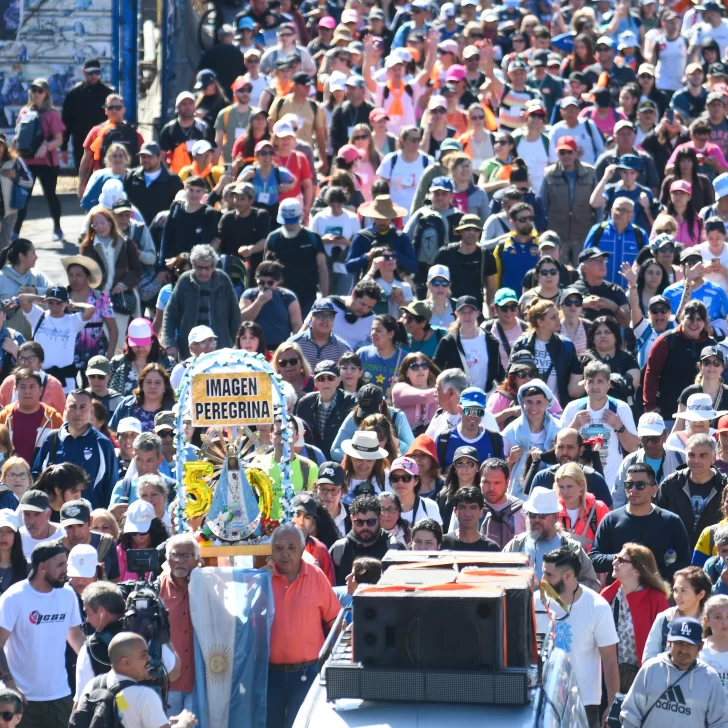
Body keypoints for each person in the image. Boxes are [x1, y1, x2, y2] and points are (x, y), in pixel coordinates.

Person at [0, 542, 83, 728]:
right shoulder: (14, 597)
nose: (66, 571)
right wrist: (11, 686)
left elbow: (76, 636)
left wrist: (97, 668)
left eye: (66, 565)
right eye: (60, 565)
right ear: (42, 567)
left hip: (60, 696)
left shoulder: (68, 595)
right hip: (22, 699)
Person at [267, 523, 339, 727]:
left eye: (291, 547)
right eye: (279, 548)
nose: (285, 554)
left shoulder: (316, 577)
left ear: (301, 550)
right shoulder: (263, 579)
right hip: (270, 676)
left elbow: (335, 622)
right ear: (271, 551)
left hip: (307, 675)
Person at [539, 546, 619, 728]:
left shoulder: (597, 606)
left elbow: (609, 660)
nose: (543, 580)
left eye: (549, 575)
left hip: (585, 703)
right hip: (544, 700)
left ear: (568, 576)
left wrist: (612, 705)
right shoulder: (535, 602)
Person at [620, 616, 728, 727]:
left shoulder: (709, 677)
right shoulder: (651, 668)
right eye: (679, 643)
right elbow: (631, 715)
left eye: (690, 644)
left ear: (700, 646)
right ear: (669, 642)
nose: (684, 650)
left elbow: (720, 723)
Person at [590, 463, 691, 582]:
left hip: (658, 593)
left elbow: (684, 563)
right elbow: (593, 559)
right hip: (619, 594)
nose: (633, 489)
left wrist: (650, 574)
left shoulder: (671, 521)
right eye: (629, 484)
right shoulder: (611, 520)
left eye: (640, 485)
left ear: (654, 490)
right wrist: (623, 559)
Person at [600, 543, 672, 692]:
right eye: (615, 558)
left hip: (643, 683)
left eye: (621, 560)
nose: (614, 562)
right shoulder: (606, 595)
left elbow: (666, 646)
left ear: (637, 570)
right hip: (605, 681)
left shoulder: (657, 600)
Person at [32, 389, 118, 509]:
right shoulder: (52, 439)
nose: (77, 412)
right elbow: (37, 478)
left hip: (88, 519)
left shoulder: (103, 444)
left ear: (91, 411)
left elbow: (111, 486)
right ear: (65, 409)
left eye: (83, 407)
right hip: (54, 520)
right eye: (73, 406)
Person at [503, 486, 599, 588]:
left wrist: (565, 591)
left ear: (556, 517)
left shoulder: (572, 548)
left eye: (542, 515)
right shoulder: (516, 545)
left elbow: (592, 583)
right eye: (532, 515)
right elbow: (498, 577)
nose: (536, 520)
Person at [162, 244, 241, 360]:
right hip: (190, 349)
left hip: (220, 348)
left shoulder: (223, 280)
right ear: (193, 266)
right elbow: (170, 313)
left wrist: (236, 344)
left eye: (208, 268)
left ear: (214, 266)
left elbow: (235, 315)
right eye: (199, 268)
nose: (204, 272)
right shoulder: (184, 281)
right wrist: (169, 343)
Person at [13, 79, 66, 241]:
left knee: (50, 195)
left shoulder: (52, 114)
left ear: (46, 94)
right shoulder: (24, 112)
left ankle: (57, 228)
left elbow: (59, 140)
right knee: (22, 198)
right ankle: (15, 232)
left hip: (47, 163)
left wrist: (47, 146)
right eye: (33, 90)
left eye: (39, 91)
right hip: (26, 163)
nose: (36, 94)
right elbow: (18, 137)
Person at [18, 286, 95, 391]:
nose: (55, 307)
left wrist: (72, 304)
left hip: (65, 380)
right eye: (51, 303)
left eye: (58, 303)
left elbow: (91, 309)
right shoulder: (38, 316)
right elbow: (22, 298)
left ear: (65, 303)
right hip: (39, 377)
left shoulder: (73, 321)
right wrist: (42, 299)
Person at [656, 432, 726, 549]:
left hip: (715, 554)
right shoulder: (671, 484)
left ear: (713, 457)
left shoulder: (724, 485)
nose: (696, 460)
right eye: (691, 455)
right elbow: (657, 519)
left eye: (703, 455)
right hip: (675, 553)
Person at [538, 135, 598, 267]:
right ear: (557, 154)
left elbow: (598, 205)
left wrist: (597, 231)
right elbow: (542, 204)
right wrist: (542, 230)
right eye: (562, 152)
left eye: (569, 152)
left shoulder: (590, 172)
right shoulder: (549, 174)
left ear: (576, 152)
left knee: (583, 271)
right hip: (558, 236)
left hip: (583, 233)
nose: (566, 156)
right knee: (558, 271)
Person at [502, 380, 561, 498]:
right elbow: (499, 470)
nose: (534, 407)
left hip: (552, 491)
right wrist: (511, 460)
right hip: (519, 495)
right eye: (529, 402)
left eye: (539, 402)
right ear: (522, 402)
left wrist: (560, 449)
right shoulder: (510, 432)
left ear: (548, 403)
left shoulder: (559, 430)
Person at [613, 413, 685, 509]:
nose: (650, 444)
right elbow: (618, 499)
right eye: (645, 439)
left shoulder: (680, 458)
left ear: (664, 435)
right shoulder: (630, 461)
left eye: (654, 439)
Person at [433, 296, 504, 390]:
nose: (467, 316)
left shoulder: (490, 340)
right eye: (463, 312)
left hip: (487, 396)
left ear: (478, 313)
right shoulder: (448, 342)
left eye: (471, 311)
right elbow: (435, 369)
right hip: (459, 399)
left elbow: (499, 372)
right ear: (456, 314)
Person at [329, 495, 401, 586]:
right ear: (351, 519)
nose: (365, 527)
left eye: (371, 522)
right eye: (359, 522)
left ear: (380, 518)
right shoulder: (340, 549)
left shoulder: (394, 548)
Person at [643, 566, 711, 662]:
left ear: (700, 594)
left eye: (683, 591)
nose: (677, 597)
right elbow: (648, 659)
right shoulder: (664, 619)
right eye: (675, 591)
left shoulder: (711, 622)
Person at [295, 361, 357, 460]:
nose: (326, 382)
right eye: (321, 379)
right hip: (311, 460)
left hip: (341, 460)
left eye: (330, 378)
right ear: (315, 382)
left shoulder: (352, 403)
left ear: (338, 380)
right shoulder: (304, 403)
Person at [0, 368, 62, 466]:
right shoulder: (3, 417)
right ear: (15, 390)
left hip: (42, 477)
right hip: (8, 476)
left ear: (41, 390)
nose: (27, 391)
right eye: (23, 387)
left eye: (32, 387)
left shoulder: (54, 418)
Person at [60, 58, 113, 172]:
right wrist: (63, 147)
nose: (94, 75)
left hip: (103, 142)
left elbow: (115, 119)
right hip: (81, 143)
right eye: (90, 72)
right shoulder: (74, 94)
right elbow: (66, 122)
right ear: (83, 72)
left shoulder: (108, 94)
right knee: (83, 177)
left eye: (97, 72)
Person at [0, 239, 52, 341]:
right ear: (21, 256)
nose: (36, 257)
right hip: (9, 338)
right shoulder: (2, 277)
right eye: (33, 253)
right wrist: (4, 306)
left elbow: (56, 292)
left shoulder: (37, 276)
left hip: (38, 337)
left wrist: (34, 291)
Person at [109, 318, 175, 397]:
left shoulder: (168, 364)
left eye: (144, 343)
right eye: (136, 344)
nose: (140, 348)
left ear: (152, 340)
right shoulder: (116, 363)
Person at [123, 142, 184, 227]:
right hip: (135, 228)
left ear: (159, 157)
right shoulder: (132, 177)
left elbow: (179, 207)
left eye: (150, 157)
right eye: (143, 157)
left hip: (160, 230)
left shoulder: (172, 180)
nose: (146, 160)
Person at [553, 462, 609, 554]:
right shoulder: (553, 510)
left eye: (569, 486)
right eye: (561, 487)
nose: (565, 492)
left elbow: (608, 544)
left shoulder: (598, 508)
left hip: (592, 566)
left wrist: (585, 547)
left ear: (581, 485)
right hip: (562, 567)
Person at [434, 214, 489, 307]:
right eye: (467, 229)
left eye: (476, 230)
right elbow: (433, 280)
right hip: (448, 307)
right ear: (460, 232)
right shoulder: (445, 253)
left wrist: (489, 305)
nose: (472, 233)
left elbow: (491, 286)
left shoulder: (485, 254)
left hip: (475, 309)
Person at [289, 299, 352, 370]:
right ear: (310, 319)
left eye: (330, 317)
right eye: (320, 316)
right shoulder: (294, 343)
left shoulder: (343, 348)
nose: (325, 320)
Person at [441, 487, 499, 551]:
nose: (467, 513)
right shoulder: (443, 543)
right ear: (455, 511)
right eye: (462, 507)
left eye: (473, 507)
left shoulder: (491, 548)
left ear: (481, 511)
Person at [169, 325, 218, 390]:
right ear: (191, 347)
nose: (209, 346)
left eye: (211, 341)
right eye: (203, 342)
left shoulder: (224, 366)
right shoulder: (181, 370)